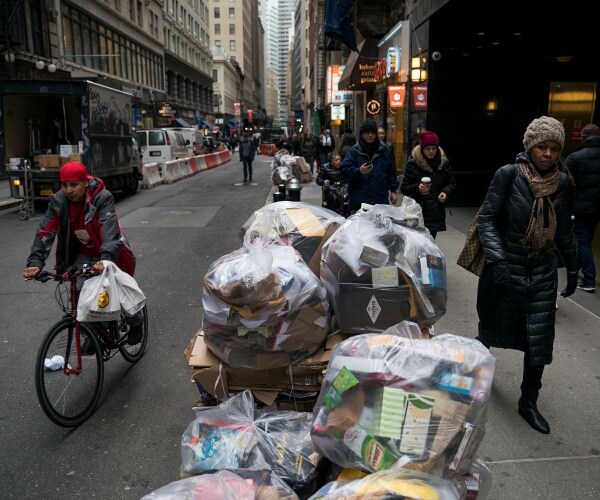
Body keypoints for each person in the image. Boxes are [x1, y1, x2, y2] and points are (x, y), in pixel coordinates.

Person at [475, 116, 578, 434]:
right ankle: (473, 380)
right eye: (542, 147)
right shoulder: (507, 175)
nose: (547, 153)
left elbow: (563, 229)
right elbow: (487, 219)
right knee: (490, 331)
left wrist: (573, 267)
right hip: (506, 269)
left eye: (554, 148)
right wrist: (498, 262)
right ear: (529, 147)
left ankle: (528, 402)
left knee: (539, 342)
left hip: (542, 274)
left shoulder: (562, 182)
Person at [22, 161, 143, 345]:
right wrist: (35, 263)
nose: (69, 190)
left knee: (119, 288)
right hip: (83, 252)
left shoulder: (102, 197)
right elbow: (45, 232)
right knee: (80, 289)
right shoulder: (58, 202)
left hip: (111, 250)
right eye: (65, 185)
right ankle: (92, 332)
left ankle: (136, 323)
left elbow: (109, 230)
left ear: (85, 182)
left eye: (74, 185)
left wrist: (106, 259)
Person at [564, 123, 600, 292]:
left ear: (583, 137)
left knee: (583, 240)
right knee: (587, 239)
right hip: (597, 208)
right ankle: (577, 267)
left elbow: (565, 184)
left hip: (582, 207)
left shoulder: (574, 157)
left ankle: (589, 279)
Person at [400, 131, 456, 239]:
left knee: (430, 245)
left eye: (434, 148)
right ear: (422, 149)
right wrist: (417, 187)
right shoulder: (413, 163)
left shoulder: (443, 163)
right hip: (416, 212)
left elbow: (451, 183)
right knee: (417, 246)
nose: (431, 152)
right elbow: (404, 187)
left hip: (435, 212)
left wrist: (445, 192)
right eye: (428, 149)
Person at [340, 118, 399, 214]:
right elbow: (344, 171)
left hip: (380, 201)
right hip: (359, 203)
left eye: (373, 132)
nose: (370, 135)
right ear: (362, 134)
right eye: (367, 132)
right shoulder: (354, 151)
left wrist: (393, 190)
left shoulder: (384, 150)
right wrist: (359, 171)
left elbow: (391, 171)